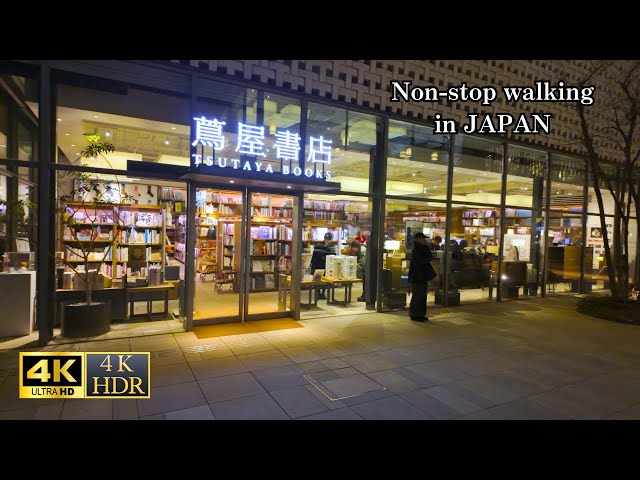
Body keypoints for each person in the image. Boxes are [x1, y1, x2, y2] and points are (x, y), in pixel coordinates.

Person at [408, 232, 433, 322]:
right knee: (418, 296)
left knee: (422, 296)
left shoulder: (422, 248)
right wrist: (427, 258)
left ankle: (421, 314)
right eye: (423, 239)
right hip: (417, 277)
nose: (424, 240)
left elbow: (429, 257)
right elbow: (421, 261)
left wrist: (426, 247)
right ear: (418, 240)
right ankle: (415, 315)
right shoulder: (416, 250)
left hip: (422, 276)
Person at [310, 232, 335, 299]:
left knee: (319, 280)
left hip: (318, 266)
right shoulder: (327, 248)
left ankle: (319, 293)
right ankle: (320, 293)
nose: (328, 241)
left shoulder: (318, 246)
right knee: (322, 280)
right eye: (328, 239)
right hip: (321, 266)